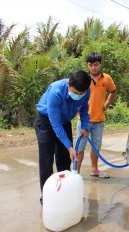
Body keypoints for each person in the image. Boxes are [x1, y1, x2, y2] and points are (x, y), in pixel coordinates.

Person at [35, 70, 91, 204]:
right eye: (75, 93)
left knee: (65, 159)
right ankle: (47, 195)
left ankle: (66, 191)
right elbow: (56, 125)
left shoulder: (86, 91)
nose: (78, 96)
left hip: (65, 122)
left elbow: (84, 108)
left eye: (81, 94)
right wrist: (69, 146)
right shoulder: (56, 91)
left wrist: (84, 125)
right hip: (47, 122)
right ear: (68, 85)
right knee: (46, 159)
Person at [75, 52, 117, 178]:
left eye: (96, 65)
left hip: (99, 119)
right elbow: (75, 93)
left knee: (96, 146)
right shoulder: (83, 79)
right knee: (79, 148)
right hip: (84, 120)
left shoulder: (107, 79)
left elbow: (113, 91)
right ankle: (76, 173)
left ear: (101, 64)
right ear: (87, 65)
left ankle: (94, 170)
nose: (93, 67)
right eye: (91, 65)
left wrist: (107, 103)